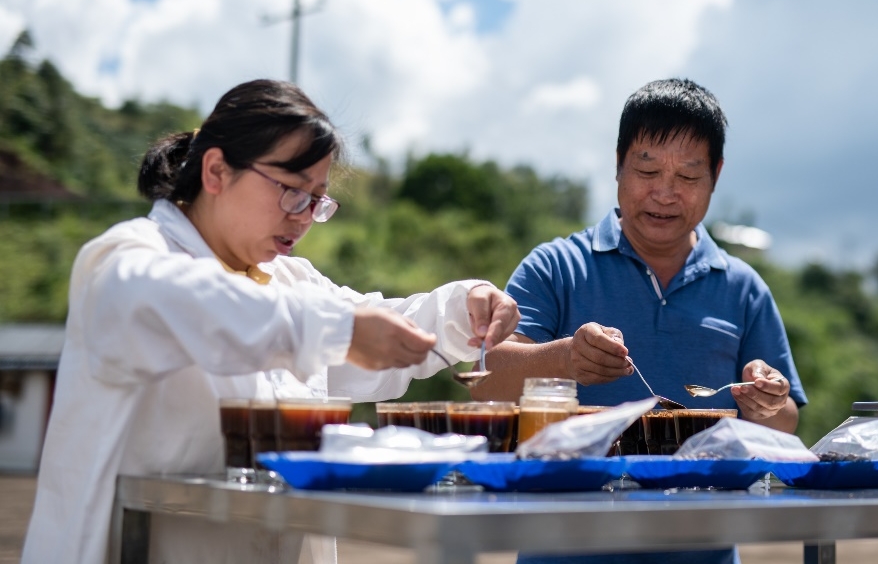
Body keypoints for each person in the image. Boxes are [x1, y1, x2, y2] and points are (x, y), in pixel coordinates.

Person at [21, 79, 519, 564]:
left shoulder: (291, 284)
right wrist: (336, 331)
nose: (303, 216)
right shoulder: (127, 259)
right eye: (291, 190)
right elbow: (190, 305)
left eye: (317, 200)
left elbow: (377, 333)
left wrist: (459, 308)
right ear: (216, 172)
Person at [472, 78, 806, 564]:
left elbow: (787, 423)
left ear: (716, 175)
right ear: (618, 164)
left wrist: (767, 401)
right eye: (647, 169)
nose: (665, 194)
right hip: (563, 550)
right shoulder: (556, 267)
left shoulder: (743, 287)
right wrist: (564, 357)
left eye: (688, 177)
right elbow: (484, 382)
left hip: (703, 551)